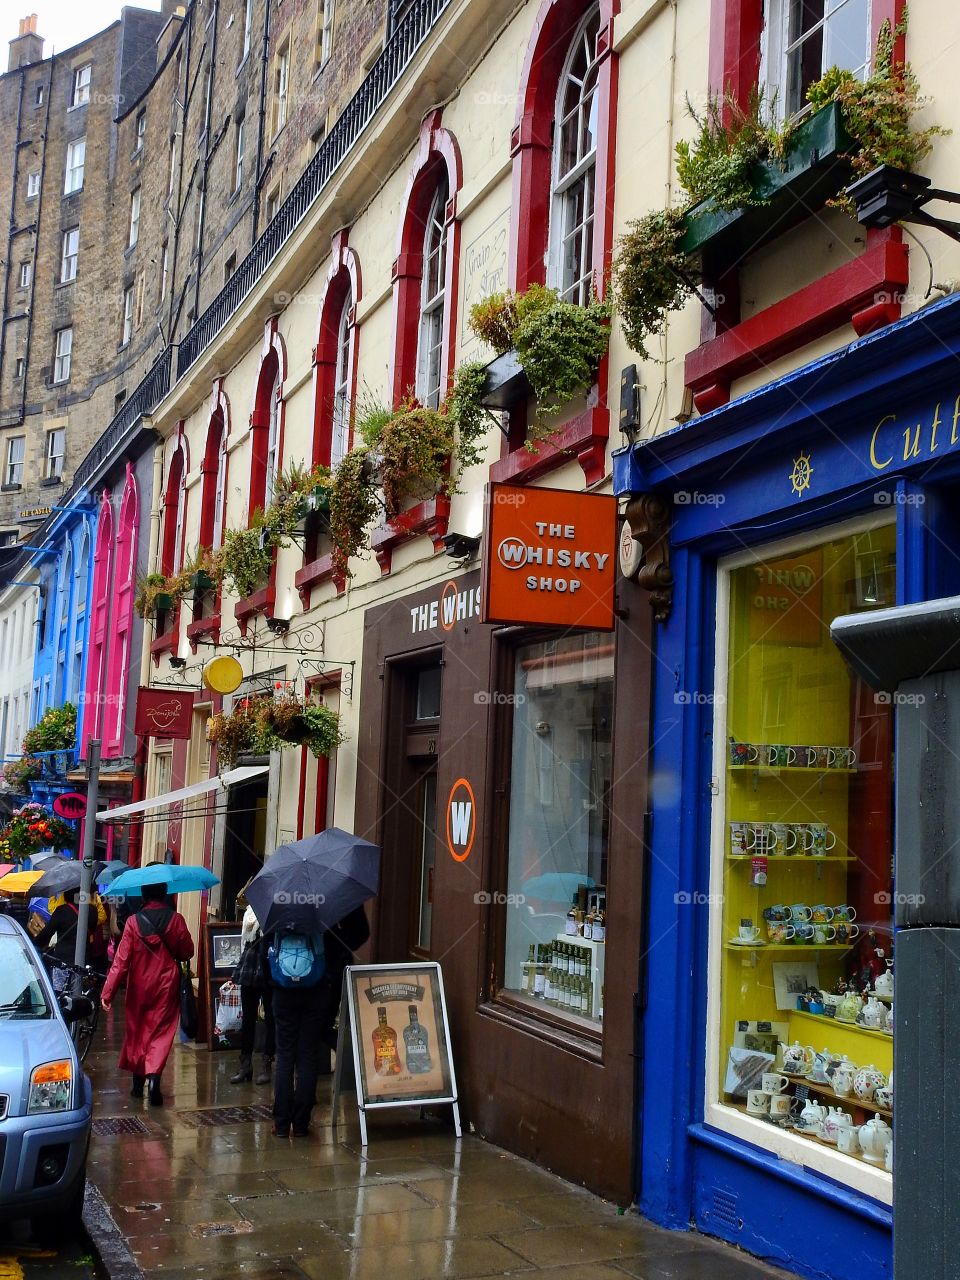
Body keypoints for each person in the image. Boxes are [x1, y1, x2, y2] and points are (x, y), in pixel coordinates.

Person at [268, 905, 369, 1139]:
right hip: (318, 986)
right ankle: (301, 1123)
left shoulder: (279, 897)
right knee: (307, 1055)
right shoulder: (332, 895)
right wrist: (333, 955)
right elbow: (360, 932)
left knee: (285, 1057)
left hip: (283, 989)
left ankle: (281, 1124)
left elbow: (267, 944)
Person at [100, 881, 194, 1106]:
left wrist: (108, 993)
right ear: (164, 893)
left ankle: (136, 1083)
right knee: (161, 1032)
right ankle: (154, 1080)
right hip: (166, 984)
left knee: (137, 1031)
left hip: (139, 985)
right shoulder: (176, 920)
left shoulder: (133, 922)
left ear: (143, 894)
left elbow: (121, 961)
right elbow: (187, 951)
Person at [230, 903, 275, 1085]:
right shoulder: (250, 910)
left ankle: (266, 1064)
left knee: (271, 1017)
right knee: (248, 1017)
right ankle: (245, 1064)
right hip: (250, 964)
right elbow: (244, 939)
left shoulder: (276, 910)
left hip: (269, 965)